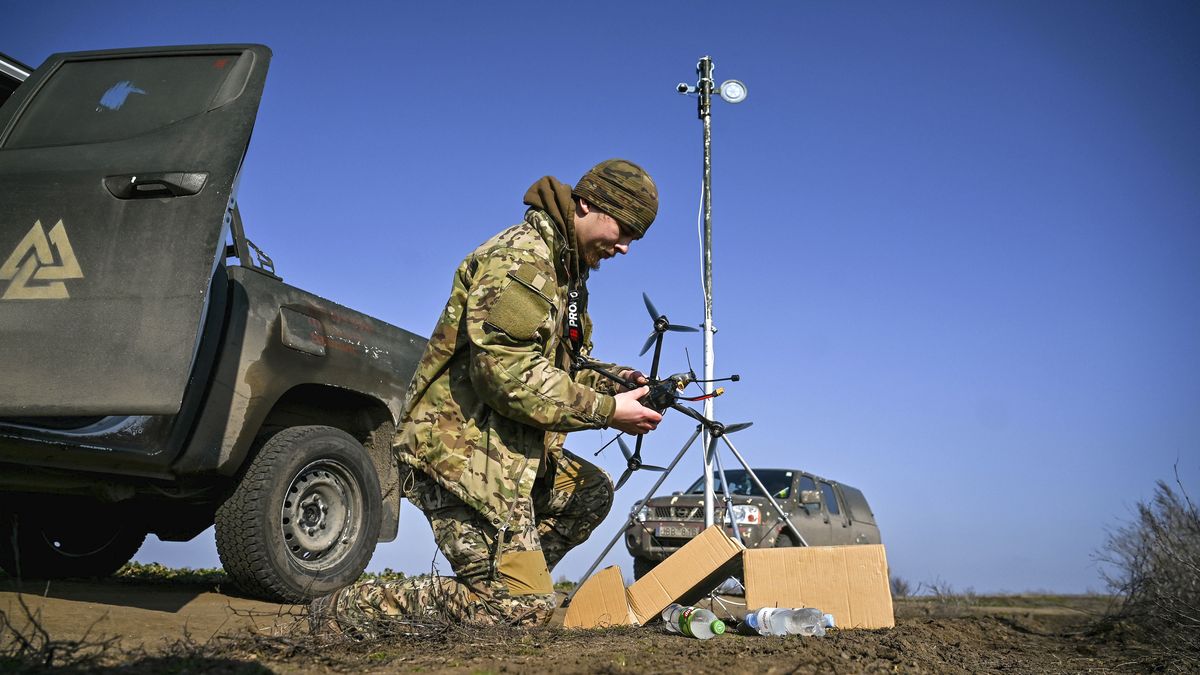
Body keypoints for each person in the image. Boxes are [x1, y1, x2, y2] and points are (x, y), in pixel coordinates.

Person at [311, 159, 664, 631]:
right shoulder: (523, 260)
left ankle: (508, 587)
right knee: (519, 611)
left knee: (589, 492)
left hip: (506, 455)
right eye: (625, 231)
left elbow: (558, 369)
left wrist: (616, 383)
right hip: (459, 453)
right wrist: (606, 411)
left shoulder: (566, 275)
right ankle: (346, 610)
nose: (624, 247)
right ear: (587, 204)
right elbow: (504, 372)